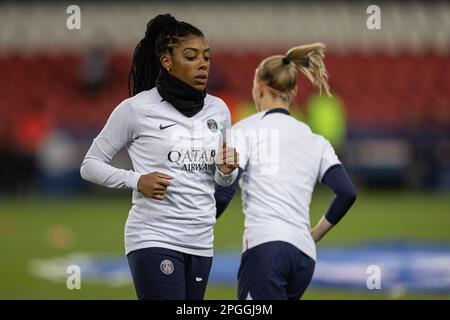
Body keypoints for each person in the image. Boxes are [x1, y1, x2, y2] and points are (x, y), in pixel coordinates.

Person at [80, 14, 239, 300]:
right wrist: (136, 180)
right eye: (191, 56)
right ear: (167, 61)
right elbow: (89, 165)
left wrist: (227, 171)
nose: (202, 63)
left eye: (206, 57)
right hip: (154, 236)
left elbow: (220, 177)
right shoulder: (136, 109)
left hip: (201, 241)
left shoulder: (219, 110)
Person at [215, 43, 357, 300]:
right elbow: (346, 192)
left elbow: (225, 192)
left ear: (260, 87)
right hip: (303, 256)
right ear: (292, 92)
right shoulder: (314, 138)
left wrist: (192, 225)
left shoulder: (244, 130)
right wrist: (311, 236)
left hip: (265, 248)